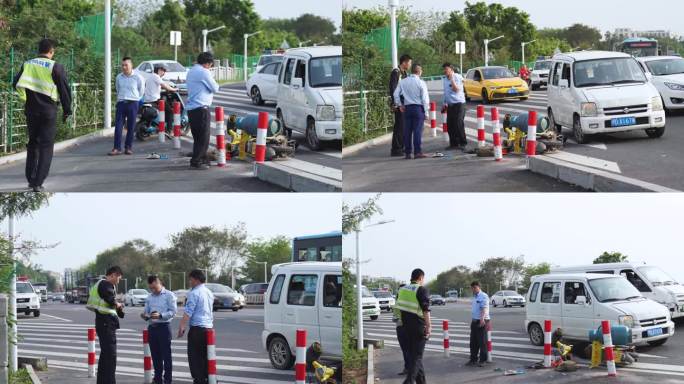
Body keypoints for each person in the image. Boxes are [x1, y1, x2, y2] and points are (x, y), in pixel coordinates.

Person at [12, 38, 72, 192]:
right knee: (46, 146)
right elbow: (64, 90)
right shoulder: (55, 67)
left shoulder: (28, 64)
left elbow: (16, 82)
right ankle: (38, 182)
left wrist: (26, 97)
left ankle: (31, 179)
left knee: (33, 144)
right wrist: (67, 110)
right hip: (48, 112)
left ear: (38, 50)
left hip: (31, 110)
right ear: (52, 52)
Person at [86, 266, 124, 384]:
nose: (118, 281)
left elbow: (110, 302)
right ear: (113, 275)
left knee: (105, 355)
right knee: (111, 356)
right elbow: (109, 299)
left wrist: (119, 309)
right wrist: (117, 304)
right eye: (118, 278)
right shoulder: (105, 284)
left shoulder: (104, 285)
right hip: (106, 323)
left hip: (104, 322)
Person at [177, 269, 214, 384]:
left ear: (196, 280)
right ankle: (209, 378)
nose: (189, 281)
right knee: (206, 356)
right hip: (208, 329)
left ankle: (199, 380)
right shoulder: (209, 292)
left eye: (191, 279)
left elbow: (188, 312)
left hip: (197, 330)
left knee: (195, 358)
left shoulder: (194, 293)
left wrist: (182, 326)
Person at [395, 269, 431, 384]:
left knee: (414, 356)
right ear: (420, 278)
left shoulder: (402, 290)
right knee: (417, 357)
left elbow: (398, 308)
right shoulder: (421, 289)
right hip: (418, 326)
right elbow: (426, 309)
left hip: (405, 326)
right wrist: (429, 326)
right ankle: (408, 381)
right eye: (423, 279)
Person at [186, 52, 220, 170]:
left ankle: (203, 158)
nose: (210, 67)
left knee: (197, 137)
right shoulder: (204, 72)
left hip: (192, 109)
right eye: (210, 65)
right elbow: (215, 88)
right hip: (201, 108)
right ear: (207, 63)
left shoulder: (191, 71)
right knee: (203, 137)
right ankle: (197, 161)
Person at [141, 275, 178, 384]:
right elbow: (146, 311)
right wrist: (144, 315)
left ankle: (167, 380)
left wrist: (161, 315)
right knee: (155, 355)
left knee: (166, 356)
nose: (153, 290)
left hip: (164, 327)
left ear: (159, 283)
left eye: (154, 287)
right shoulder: (149, 297)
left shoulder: (169, 295)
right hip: (152, 328)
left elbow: (173, 312)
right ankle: (157, 379)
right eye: (151, 288)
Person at [393, 63, 430, 160]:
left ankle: (408, 153)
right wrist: (426, 112)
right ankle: (417, 152)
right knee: (417, 131)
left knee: (407, 131)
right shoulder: (421, 82)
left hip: (407, 109)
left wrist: (399, 105)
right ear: (419, 71)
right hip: (418, 109)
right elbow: (425, 99)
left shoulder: (403, 82)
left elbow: (395, 94)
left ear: (412, 71)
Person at [110, 57, 145, 156]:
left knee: (131, 126)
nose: (124, 67)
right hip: (121, 103)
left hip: (133, 103)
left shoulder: (138, 77)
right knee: (118, 126)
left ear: (131, 65)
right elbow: (118, 89)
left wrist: (135, 99)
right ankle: (116, 148)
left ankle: (128, 147)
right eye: (123, 65)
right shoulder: (119, 77)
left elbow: (141, 90)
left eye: (126, 65)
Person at [389, 54, 412, 157]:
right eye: (409, 63)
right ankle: (396, 149)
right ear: (404, 62)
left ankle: (401, 147)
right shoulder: (396, 72)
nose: (410, 65)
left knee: (403, 127)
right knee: (399, 127)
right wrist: (396, 104)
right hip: (399, 104)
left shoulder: (405, 73)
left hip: (405, 103)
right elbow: (393, 89)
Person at [442, 63, 467, 151]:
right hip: (450, 105)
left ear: (451, 69)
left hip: (459, 104)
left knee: (458, 123)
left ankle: (463, 142)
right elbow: (445, 92)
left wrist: (452, 79)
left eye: (446, 69)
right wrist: (444, 103)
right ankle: (453, 144)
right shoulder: (444, 79)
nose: (445, 71)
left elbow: (456, 89)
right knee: (450, 125)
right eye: (444, 69)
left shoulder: (457, 77)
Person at [466, 281, 490, 367]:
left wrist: (482, 319)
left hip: (482, 321)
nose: (473, 289)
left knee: (482, 342)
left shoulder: (483, 296)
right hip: (474, 321)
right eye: (472, 288)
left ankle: (483, 360)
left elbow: (484, 308)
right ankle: (473, 359)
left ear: (479, 287)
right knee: (473, 342)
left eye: (475, 288)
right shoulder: (475, 297)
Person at [393, 283, 409, 375]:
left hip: (404, 327)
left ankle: (410, 368)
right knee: (406, 349)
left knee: (407, 349)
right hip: (400, 326)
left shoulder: (401, 300)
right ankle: (408, 368)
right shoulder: (398, 299)